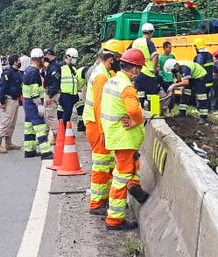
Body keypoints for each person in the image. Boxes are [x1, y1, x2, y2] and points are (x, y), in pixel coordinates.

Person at [100, 48, 150, 231]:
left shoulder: (111, 81)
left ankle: (134, 186)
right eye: (139, 69)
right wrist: (137, 120)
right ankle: (115, 220)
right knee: (120, 178)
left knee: (131, 166)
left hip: (114, 135)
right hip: (124, 138)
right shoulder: (126, 87)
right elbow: (135, 111)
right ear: (135, 69)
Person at [83, 50, 118, 216]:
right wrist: (104, 131)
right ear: (111, 59)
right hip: (97, 127)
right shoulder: (101, 76)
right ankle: (97, 203)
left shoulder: (101, 72)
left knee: (107, 164)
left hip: (97, 125)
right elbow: (99, 106)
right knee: (101, 165)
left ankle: (104, 199)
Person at [22, 48, 53, 159]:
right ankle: (46, 152)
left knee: (29, 127)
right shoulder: (34, 72)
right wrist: (39, 104)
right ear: (39, 59)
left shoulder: (27, 70)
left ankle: (29, 150)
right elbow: (35, 90)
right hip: (33, 103)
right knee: (40, 127)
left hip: (27, 102)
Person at [0, 54, 23, 154]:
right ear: (15, 62)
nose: (20, 62)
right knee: (6, 122)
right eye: (18, 60)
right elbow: (2, 88)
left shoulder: (17, 73)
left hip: (15, 100)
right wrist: (2, 102)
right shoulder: (8, 73)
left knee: (12, 123)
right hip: (9, 100)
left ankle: (8, 142)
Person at [130, 23, 161, 110]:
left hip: (137, 72)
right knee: (153, 94)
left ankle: (140, 110)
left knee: (140, 93)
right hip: (148, 73)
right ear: (151, 32)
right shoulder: (149, 42)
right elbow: (155, 56)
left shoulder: (135, 42)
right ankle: (154, 112)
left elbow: (128, 53)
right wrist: (154, 69)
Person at [58, 48, 84, 129]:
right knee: (67, 112)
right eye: (74, 58)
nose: (75, 60)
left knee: (81, 106)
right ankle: (63, 131)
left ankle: (81, 125)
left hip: (74, 94)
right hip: (65, 94)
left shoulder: (73, 69)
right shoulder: (61, 67)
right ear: (68, 57)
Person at [42, 47, 62, 142]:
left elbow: (55, 84)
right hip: (48, 92)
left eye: (45, 55)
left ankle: (56, 135)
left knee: (51, 116)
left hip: (52, 93)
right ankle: (45, 137)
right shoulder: (49, 65)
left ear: (49, 55)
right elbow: (45, 75)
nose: (44, 57)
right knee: (47, 115)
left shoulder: (54, 67)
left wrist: (50, 96)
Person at [192, 39, 214, 119]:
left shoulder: (199, 57)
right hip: (210, 80)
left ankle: (201, 112)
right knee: (207, 96)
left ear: (197, 47)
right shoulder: (210, 55)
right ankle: (209, 110)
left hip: (202, 81)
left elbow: (198, 69)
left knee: (200, 98)